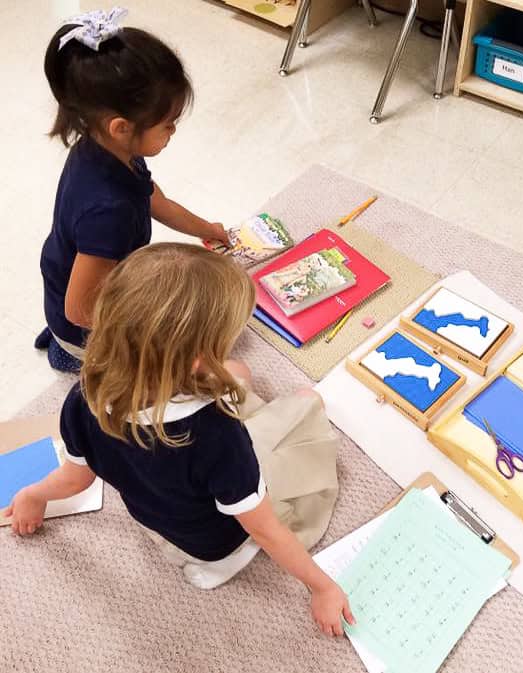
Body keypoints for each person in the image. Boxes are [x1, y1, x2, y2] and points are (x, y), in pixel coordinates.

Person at [10, 243, 352, 636]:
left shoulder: (84, 394)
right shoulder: (217, 435)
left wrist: (33, 495)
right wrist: (322, 586)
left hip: (162, 519)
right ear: (195, 361)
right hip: (220, 543)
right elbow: (263, 529)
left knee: (238, 372)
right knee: (309, 403)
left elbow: (76, 479)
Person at [37, 8, 227, 372]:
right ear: (121, 127)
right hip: (82, 325)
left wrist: (208, 230)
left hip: (83, 282)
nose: (173, 132)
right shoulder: (109, 212)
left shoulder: (106, 149)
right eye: (168, 124)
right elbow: (79, 309)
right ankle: (67, 354)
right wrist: (149, 332)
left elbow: (157, 201)